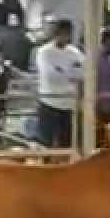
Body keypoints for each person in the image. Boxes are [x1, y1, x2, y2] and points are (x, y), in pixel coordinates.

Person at [34, 19, 84, 148]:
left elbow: (83, 73)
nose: (67, 36)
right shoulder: (44, 52)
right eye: (64, 33)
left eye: (69, 33)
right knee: (46, 142)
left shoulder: (75, 52)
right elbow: (50, 75)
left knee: (67, 143)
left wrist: (63, 71)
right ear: (57, 33)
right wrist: (70, 73)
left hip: (69, 105)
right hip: (49, 103)